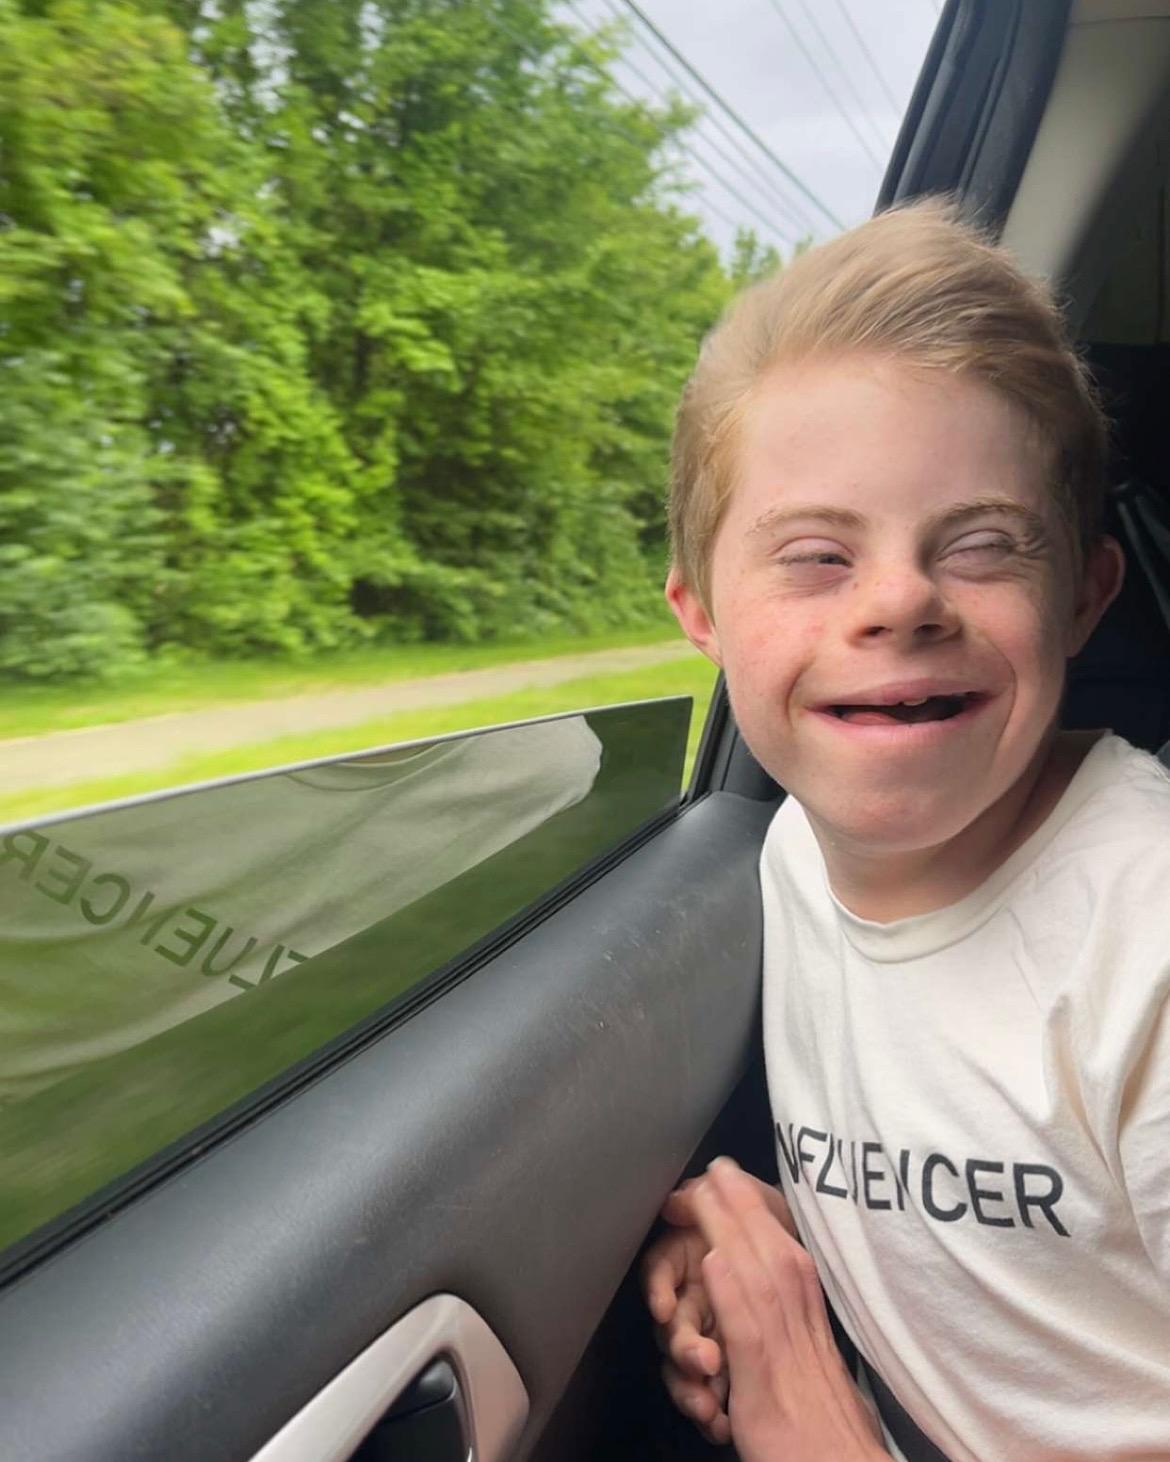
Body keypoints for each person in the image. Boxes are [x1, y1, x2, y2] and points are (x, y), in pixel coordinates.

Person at [643, 198, 1170, 1460]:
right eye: (817, 556)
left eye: (982, 545)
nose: (899, 601)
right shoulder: (795, 855)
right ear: (700, 609)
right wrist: (763, 1248)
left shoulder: (1146, 944)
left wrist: (809, 1419)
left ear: (1085, 598)